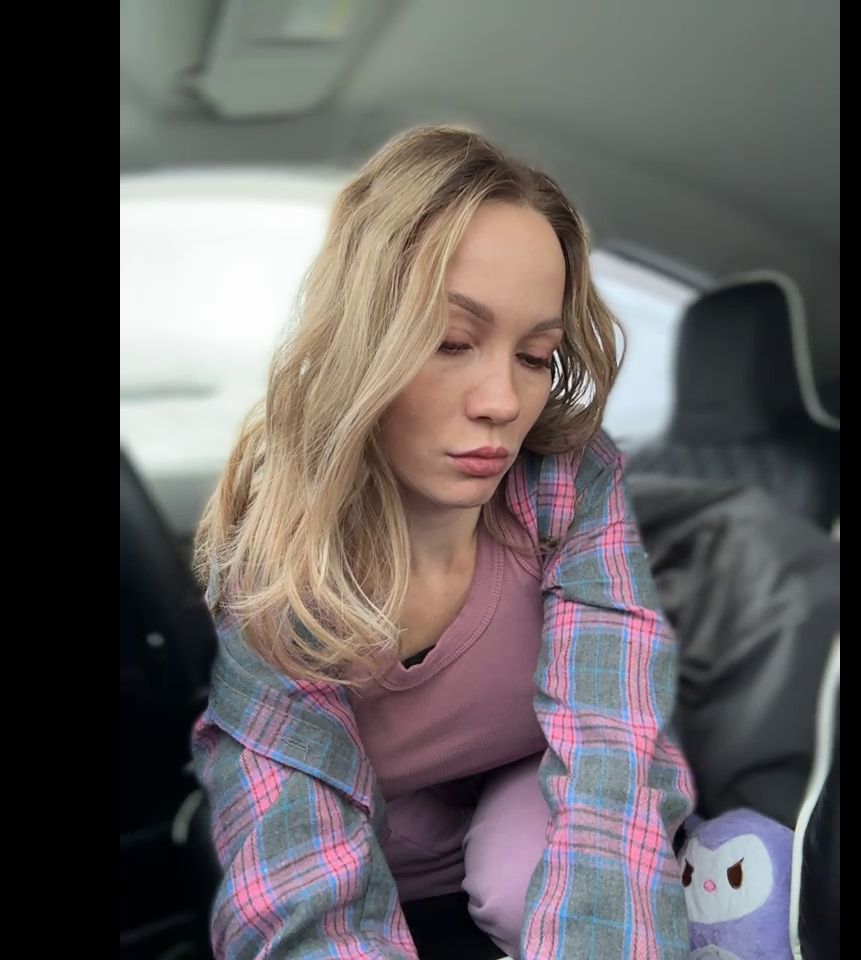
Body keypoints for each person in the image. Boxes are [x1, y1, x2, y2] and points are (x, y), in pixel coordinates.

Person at [191, 124, 694, 959]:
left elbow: (614, 741)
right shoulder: (276, 563)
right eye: (453, 342)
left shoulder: (568, 485)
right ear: (361, 340)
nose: (503, 400)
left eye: (536, 355)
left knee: (525, 873)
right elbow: (295, 866)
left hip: (535, 816)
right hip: (389, 850)